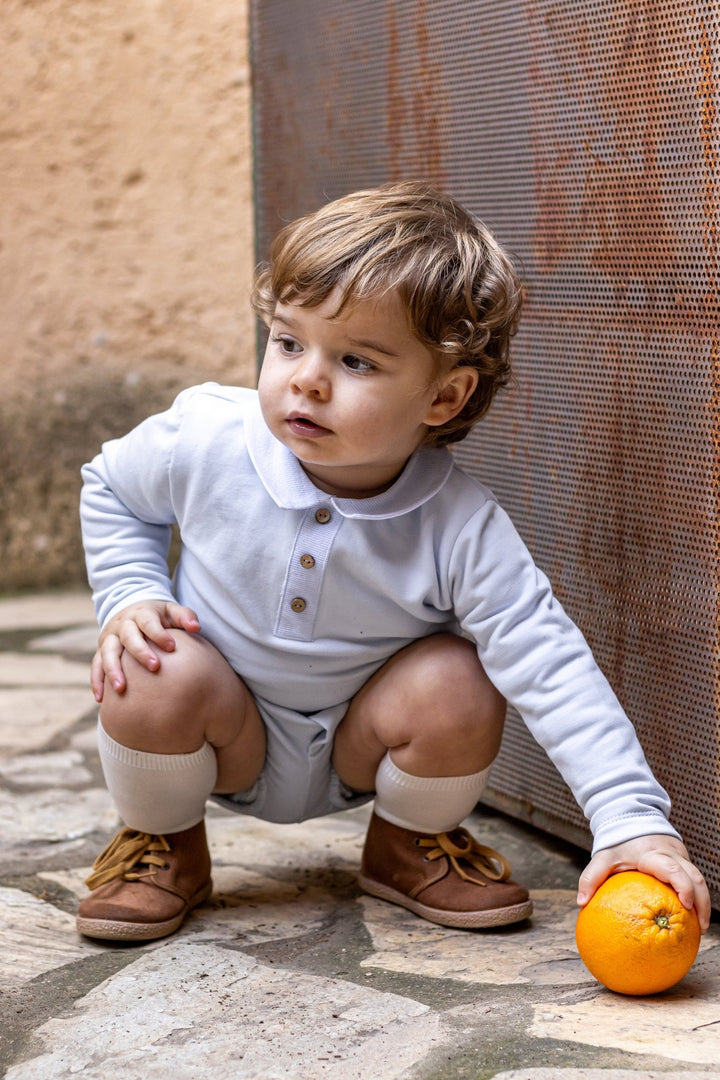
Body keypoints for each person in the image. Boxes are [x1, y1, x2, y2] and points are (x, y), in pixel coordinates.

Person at [76, 181, 711, 943]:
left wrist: (629, 819)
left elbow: (547, 659)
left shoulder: (458, 523)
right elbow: (111, 487)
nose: (306, 378)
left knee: (461, 674)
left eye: (356, 361)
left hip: (362, 743)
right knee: (151, 660)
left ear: (443, 397)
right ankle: (164, 842)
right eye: (287, 341)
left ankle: (407, 844)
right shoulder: (206, 437)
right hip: (221, 726)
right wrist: (129, 594)